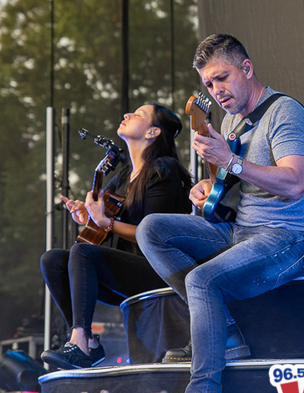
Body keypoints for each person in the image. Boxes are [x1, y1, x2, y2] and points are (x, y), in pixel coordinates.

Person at [136, 34, 304, 393]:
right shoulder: (229, 124)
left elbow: (294, 183)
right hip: (243, 231)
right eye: (209, 84)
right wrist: (208, 186)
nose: (216, 90)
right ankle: (226, 333)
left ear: (247, 67)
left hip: (295, 236)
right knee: (152, 229)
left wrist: (231, 161)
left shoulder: (284, 112)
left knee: (202, 279)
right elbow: (238, 184)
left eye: (221, 77)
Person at [39, 102, 193, 370]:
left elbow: (154, 236)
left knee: (83, 252)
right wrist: (88, 219)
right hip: (130, 271)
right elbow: (105, 224)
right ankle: (87, 340)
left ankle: (79, 343)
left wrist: (104, 222)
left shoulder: (163, 170)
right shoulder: (122, 178)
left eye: (138, 115)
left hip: (160, 271)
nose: (126, 115)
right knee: (52, 260)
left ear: (152, 132)